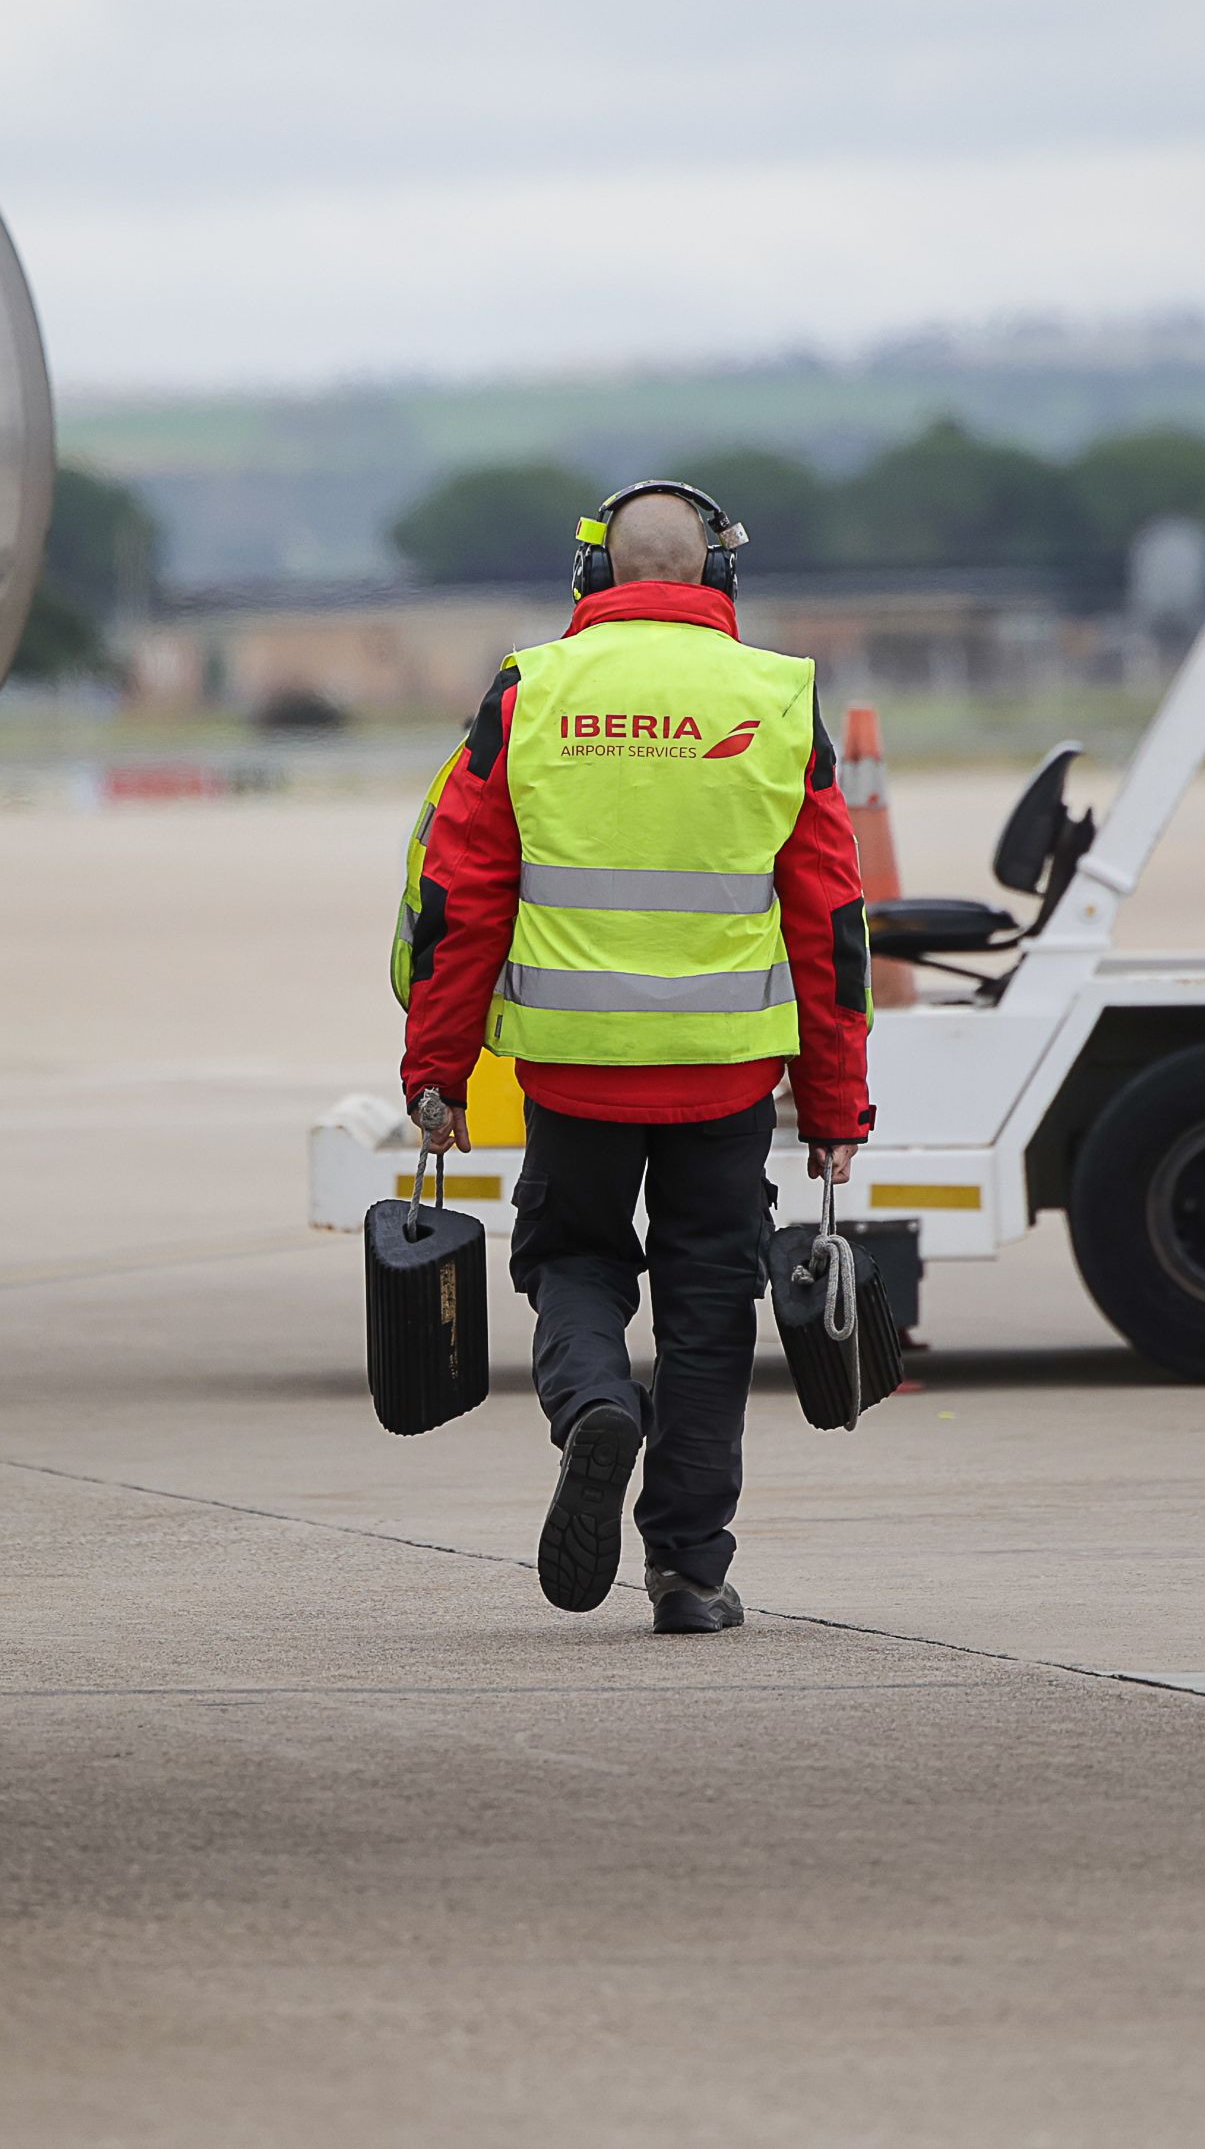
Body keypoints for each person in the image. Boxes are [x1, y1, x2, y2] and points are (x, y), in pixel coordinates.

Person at [388, 480, 873, 1634]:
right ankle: (689, 1573)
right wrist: (837, 1103)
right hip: (724, 1077)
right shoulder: (777, 696)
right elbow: (830, 919)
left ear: (593, 580)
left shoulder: (531, 692)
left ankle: (598, 1405)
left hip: (573, 1067)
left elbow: (459, 900)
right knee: (710, 1306)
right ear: (717, 579)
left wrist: (438, 1072)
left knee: (575, 1262)